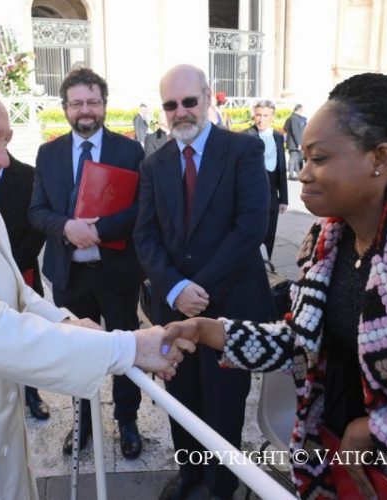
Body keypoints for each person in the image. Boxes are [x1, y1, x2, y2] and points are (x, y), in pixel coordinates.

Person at [0, 72, 192, 500]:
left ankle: (125, 420)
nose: (4, 160)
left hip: (112, 279)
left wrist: (65, 322)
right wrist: (125, 347)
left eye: (5, 141)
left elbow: (18, 296)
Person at [164, 72, 387, 500]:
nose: (302, 174)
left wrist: (381, 429)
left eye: (318, 158)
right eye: (303, 158)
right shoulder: (326, 241)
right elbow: (302, 343)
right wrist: (207, 331)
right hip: (332, 451)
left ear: (379, 158)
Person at [134, 64, 275, 500]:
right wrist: (176, 289)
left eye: (189, 101)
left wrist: (198, 289)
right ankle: (190, 473)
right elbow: (145, 234)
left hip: (230, 306)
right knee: (180, 395)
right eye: (170, 105)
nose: (181, 112)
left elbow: (251, 227)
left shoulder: (243, 150)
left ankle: (221, 483)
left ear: (208, 98)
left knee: (224, 401)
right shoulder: (154, 163)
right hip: (174, 308)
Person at [28, 67, 146, 459]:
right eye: (77, 103)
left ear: (104, 105)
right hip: (69, 275)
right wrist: (67, 227)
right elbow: (37, 211)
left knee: (125, 346)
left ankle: (127, 420)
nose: (85, 110)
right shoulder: (48, 154)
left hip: (118, 273)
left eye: (93, 102)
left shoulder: (129, 151)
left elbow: (141, 209)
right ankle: (84, 423)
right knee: (78, 352)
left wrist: (96, 230)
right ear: (65, 107)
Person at [0, 152, 50, 420]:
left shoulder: (28, 174)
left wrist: (14, 261)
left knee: (27, 334)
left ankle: (31, 392)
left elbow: (38, 225)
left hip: (22, 266)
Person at [245, 100, 288, 257]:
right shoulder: (245, 136)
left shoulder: (278, 136)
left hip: (272, 197)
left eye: (265, 115)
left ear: (272, 117)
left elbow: (282, 168)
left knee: (270, 234)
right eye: (258, 115)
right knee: (251, 235)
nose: (261, 119)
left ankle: (266, 264)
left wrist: (283, 199)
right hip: (251, 197)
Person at [284, 103, 307, 180]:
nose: (302, 112)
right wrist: (299, 143)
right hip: (294, 143)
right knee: (293, 158)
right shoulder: (294, 118)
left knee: (296, 158)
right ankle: (291, 174)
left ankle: (297, 173)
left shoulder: (290, 118)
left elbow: (285, 128)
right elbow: (295, 131)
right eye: (302, 110)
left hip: (293, 142)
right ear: (299, 109)